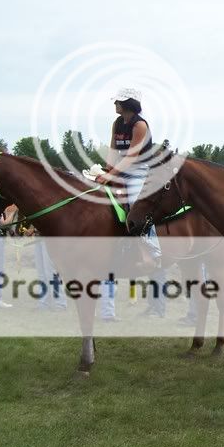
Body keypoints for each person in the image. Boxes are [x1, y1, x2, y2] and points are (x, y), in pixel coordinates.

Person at [95, 87, 166, 315]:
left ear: (128, 103)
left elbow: (133, 157)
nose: (115, 104)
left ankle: (153, 251)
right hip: (119, 170)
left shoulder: (140, 125)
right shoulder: (117, 123)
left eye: (117, 101)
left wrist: (111, 174)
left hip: (138, 172)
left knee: (138, 207)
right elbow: (114, 150)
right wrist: (106, 170)